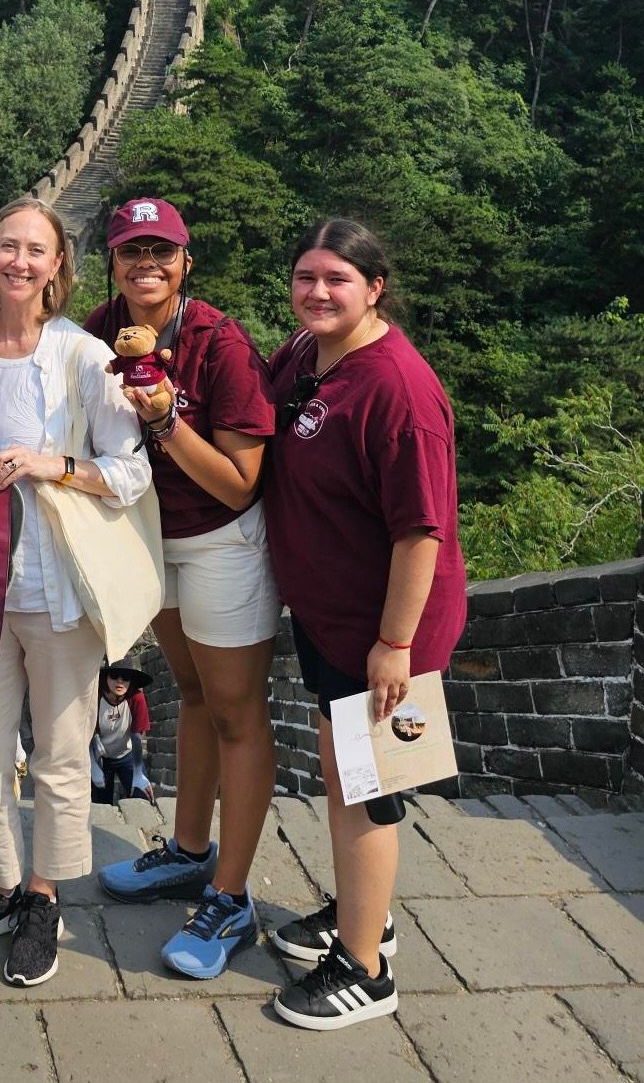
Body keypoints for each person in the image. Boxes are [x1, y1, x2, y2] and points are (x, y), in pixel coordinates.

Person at [0, 199, 151, 987]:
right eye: (7, 246)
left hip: (58, 588)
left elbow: (130, 472)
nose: (20, 261)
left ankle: (46, 898)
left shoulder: (84, 356)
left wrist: (53, 463)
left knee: (58, 757)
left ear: (59, 266)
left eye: (37, 250)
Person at [263, 221, 468, 1030]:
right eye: (306, 276)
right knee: (343, 771)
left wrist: (395, 647)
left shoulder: (399, 389)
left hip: (389, 627)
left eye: (337, 280)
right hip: (331, 611)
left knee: (369, 788)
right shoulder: (310, 354)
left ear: (375, 288)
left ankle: (367, 971)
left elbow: (422, 531)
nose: (317, 292)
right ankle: (362, 913)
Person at [89, 198, 279, 979]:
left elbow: (239, 486)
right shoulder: (101, 329)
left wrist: (167, 420)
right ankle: (190, 852)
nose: (147, 266)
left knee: (236, 710)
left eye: (161, 252)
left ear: (185, 262)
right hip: (150, 538)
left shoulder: (220, 345)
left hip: (220, 541)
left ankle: (230, 899)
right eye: (132, 251)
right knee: (192, 693)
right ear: (113, 260)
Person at [90, 663, 153, 804]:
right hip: (101, 756)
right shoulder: (94, 697)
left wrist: (138, 772)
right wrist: (93, 765)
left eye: (125, 677)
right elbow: (85, 734)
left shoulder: (136, 698)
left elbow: (137, 735)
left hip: (127, 754)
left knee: (141, 796)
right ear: (106, 678)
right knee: (100, 803)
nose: (120, 681)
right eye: (114, 676)